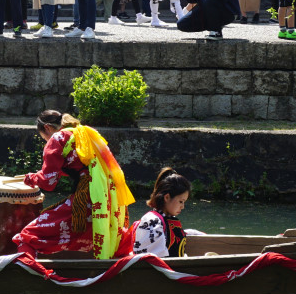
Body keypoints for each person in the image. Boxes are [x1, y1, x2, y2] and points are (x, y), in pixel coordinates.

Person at [13, 110, 135, 259]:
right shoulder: (83, 133)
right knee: (91, 236)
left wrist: (30, 178)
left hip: (88, 197)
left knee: (28, 234)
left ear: (47, 128)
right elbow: (80, 166)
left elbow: (48, 182)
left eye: (43, 138)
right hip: (107, 198)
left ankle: (27, 272)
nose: (46, 141)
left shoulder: (57, 138)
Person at [131, 168, 191, 258]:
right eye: (180, 201)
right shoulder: (152, 221)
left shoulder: (166, 218)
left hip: (174, 269)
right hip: (164, 271)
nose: (182, 207)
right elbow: (151, 261)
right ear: (167, 197)